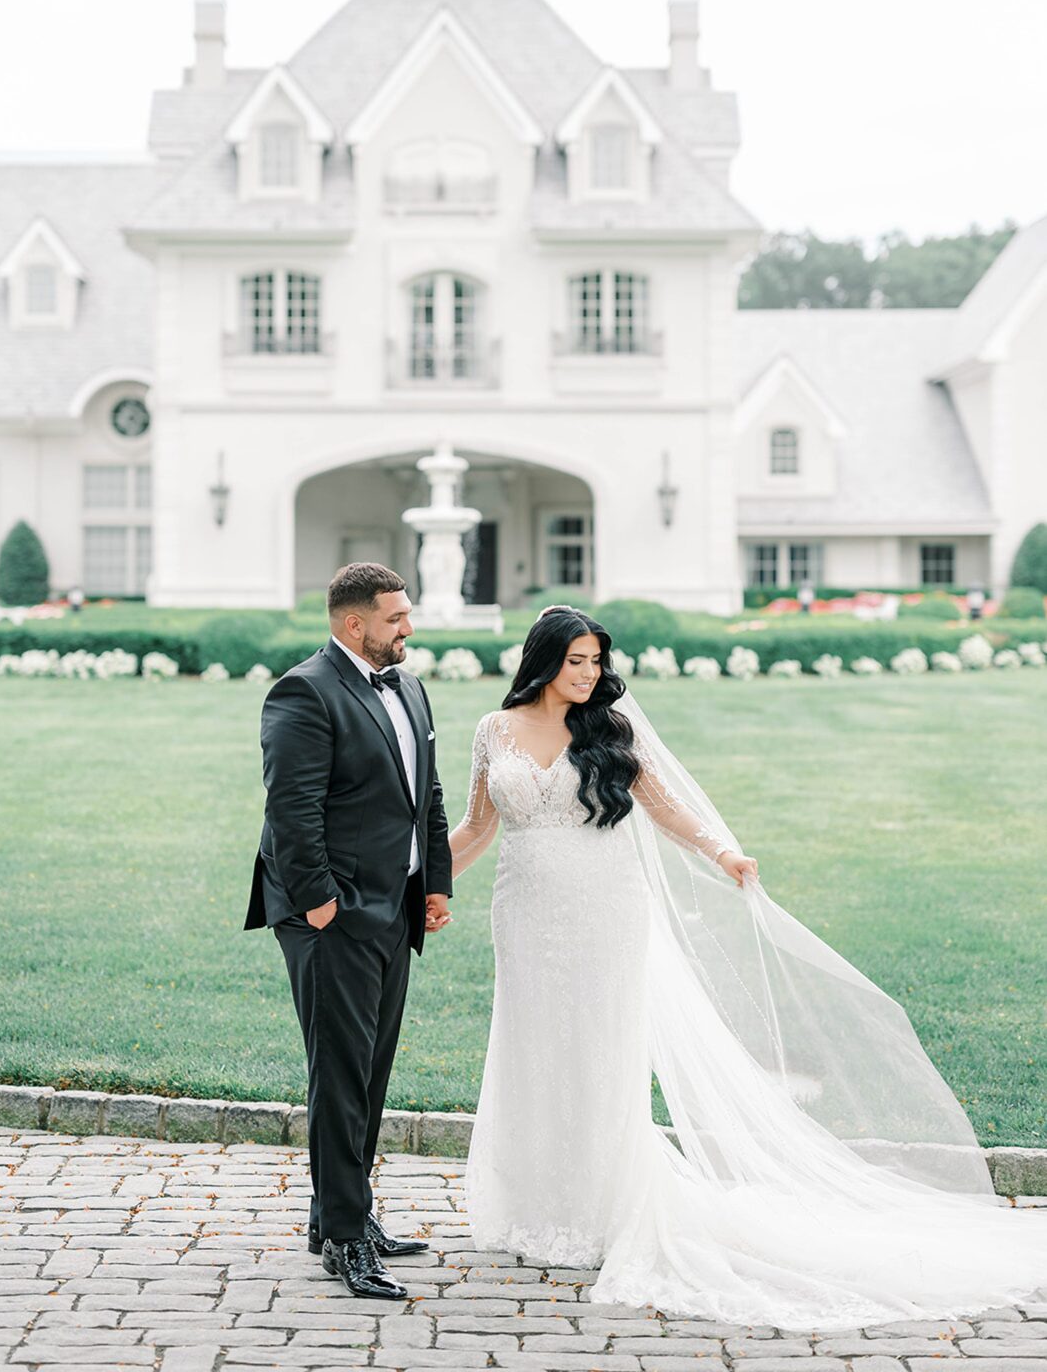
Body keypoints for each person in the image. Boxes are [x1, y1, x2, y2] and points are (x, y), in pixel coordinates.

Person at [448, 604, 1047, 1330]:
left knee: (603, 1049)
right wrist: (424, 882)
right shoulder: (494, 730)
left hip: (606, 908)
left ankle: (601, 1205)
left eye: (596, 662)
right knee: (533, 1046)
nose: (588, 674)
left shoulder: (609, 730)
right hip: (525, 908)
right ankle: (535, 1205)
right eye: (575, 661)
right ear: (542, 660)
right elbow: (477, 826)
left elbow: (664, 807)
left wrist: (721, 850)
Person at [243, 563, 453, 1300]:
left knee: (369, 1070)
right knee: (338, 1076)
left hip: (394, 905)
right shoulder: (303, 691)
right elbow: (291, 809)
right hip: (330, 914)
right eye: (396, 618)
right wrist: (319, 903)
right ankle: (343, 1237)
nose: (408, 628)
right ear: (351, 623)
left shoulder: (409, 687)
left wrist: (434, 885)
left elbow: (424, 793)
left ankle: (344, 1215)